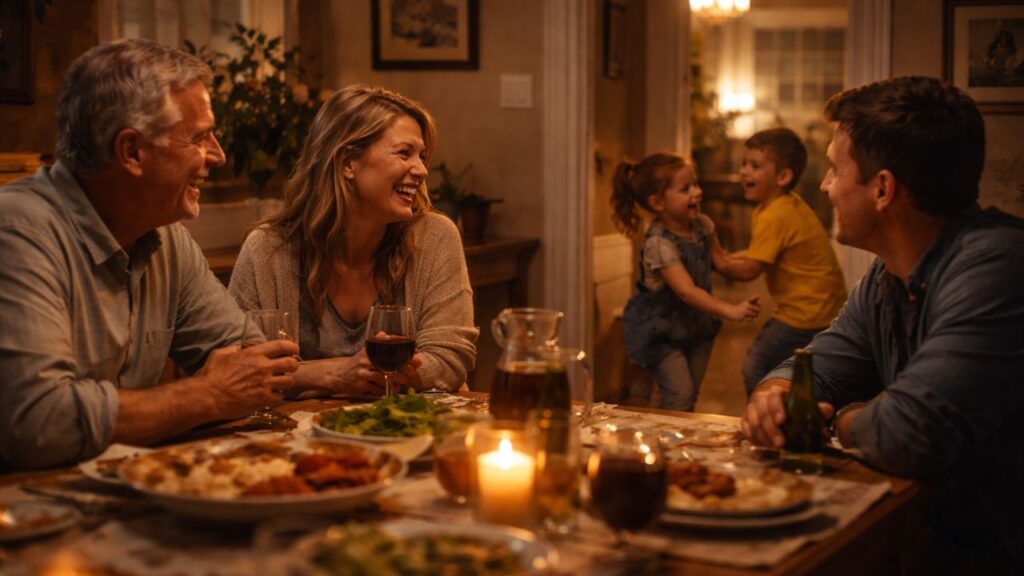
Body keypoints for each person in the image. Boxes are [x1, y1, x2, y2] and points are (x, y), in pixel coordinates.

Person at [742, 76, 1024, 570]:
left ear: (882, 189)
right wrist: (777, 394)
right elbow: (817, 366)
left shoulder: (998, 266)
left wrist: (840, 419)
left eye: (835, 170)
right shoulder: (886, 276)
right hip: (930, 537)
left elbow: (910, 434)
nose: (826, 186)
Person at [0, 39, 299, 470]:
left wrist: (217, 387)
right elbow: (40, 424)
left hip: (122, 487)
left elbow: (252, 361)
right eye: (200, 137)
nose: (218, 155)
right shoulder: (19, 232)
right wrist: (207, 394)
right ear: (132, 152)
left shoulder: (165, 237)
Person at [228, 85, 477, 396]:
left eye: (422, 156)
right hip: (296, 427)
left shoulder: (434, 237)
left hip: (412, 422)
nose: (422, 170)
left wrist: (383, 374)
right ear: (348, 162)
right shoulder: (268, 250)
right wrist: (332, 374)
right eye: (404, 153)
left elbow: (450, 359)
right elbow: (239, 368)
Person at [612, 153, 760, 411]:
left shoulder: (703, 225)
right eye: (685, 189)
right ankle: (666, 436)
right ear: (658, 203)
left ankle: (667, 431)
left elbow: (723, 262)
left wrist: (763, 258)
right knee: (681, 394)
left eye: (696, 184)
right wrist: (731, 310)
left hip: (697, 326)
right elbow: (687, 291)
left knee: (686, 396)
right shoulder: (659, 244)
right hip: (661, 332)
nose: (697, 192)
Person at [711, 128, 847, 395]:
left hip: (805, 313)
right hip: (823, 309)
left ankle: (765, 415)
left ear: (783, 177)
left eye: (755, 166)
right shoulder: (780, 206)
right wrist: (726, 256)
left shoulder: (775, 215)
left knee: (756, 367)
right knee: (800, 372)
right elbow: (758, 253)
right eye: (744, 163)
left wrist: (716, 259)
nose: (744, 172)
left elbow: (749, 270)